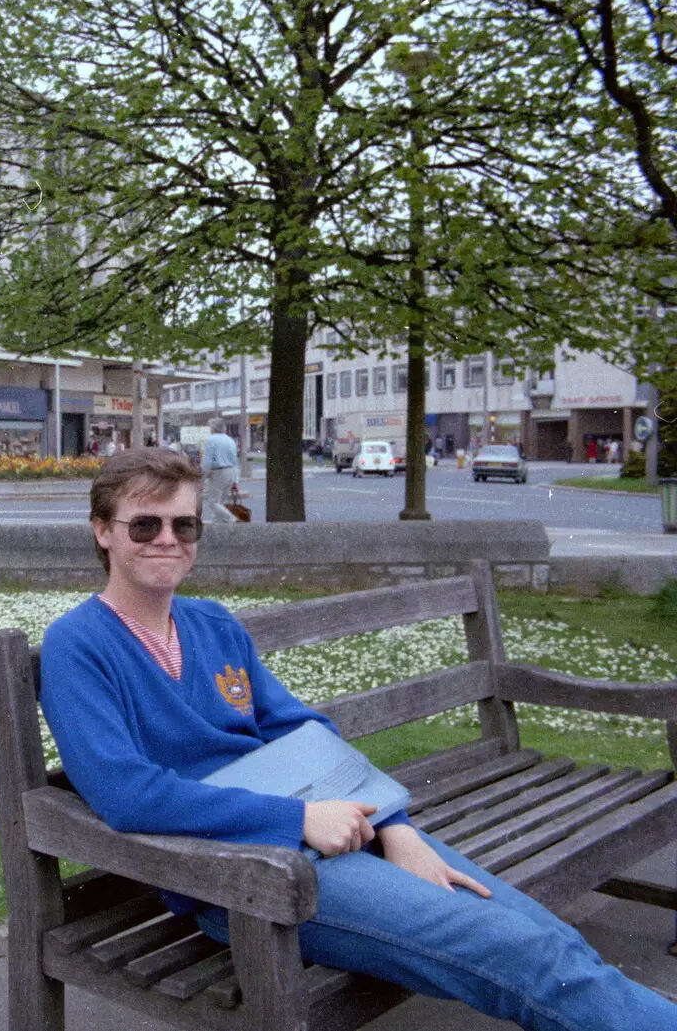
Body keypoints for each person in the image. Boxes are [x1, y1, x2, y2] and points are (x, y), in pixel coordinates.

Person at [38, 447, 677, 1031]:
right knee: (521, 953)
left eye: (185, 524)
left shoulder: (210, 623)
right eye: (144, 525)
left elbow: (301, 728)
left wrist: (396, 828)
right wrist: (300, 819)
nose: (168, 540)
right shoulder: (80, 645)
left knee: (540, 930)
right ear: (103, 531)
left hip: (333, 826)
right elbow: (128, 794)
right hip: (237, 874)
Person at [199, 421, 239, 523]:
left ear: (212, 428)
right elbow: (235, 461)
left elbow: (206, 463)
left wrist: (201, 480)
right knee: (221, 501)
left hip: (219, 472)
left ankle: (231, 519)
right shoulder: (230, 441)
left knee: (213, 502)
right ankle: (218, 524)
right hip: (231, 472)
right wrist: (236, 480)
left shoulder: (211, 440)